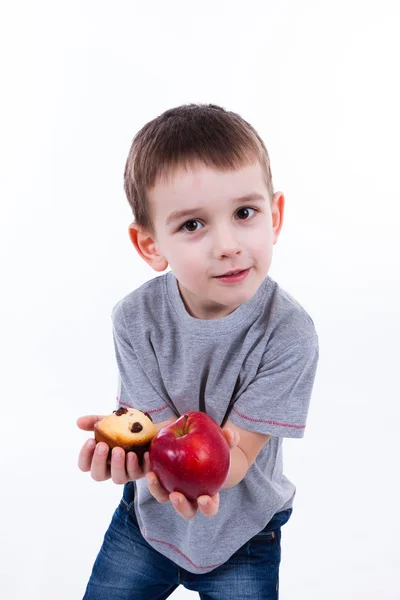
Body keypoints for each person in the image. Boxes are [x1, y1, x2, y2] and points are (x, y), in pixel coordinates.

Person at [77, 103, 319, 600]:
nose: (228, 244)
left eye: (245, 213)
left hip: (246, 534)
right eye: (192, 225)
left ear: (274, 216)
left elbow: (232, 461)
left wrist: (169, 460)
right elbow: (155, 430)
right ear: (150, 246)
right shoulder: (136, 319)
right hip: (145, 524)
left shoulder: (289, 333)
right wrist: (129, 454)